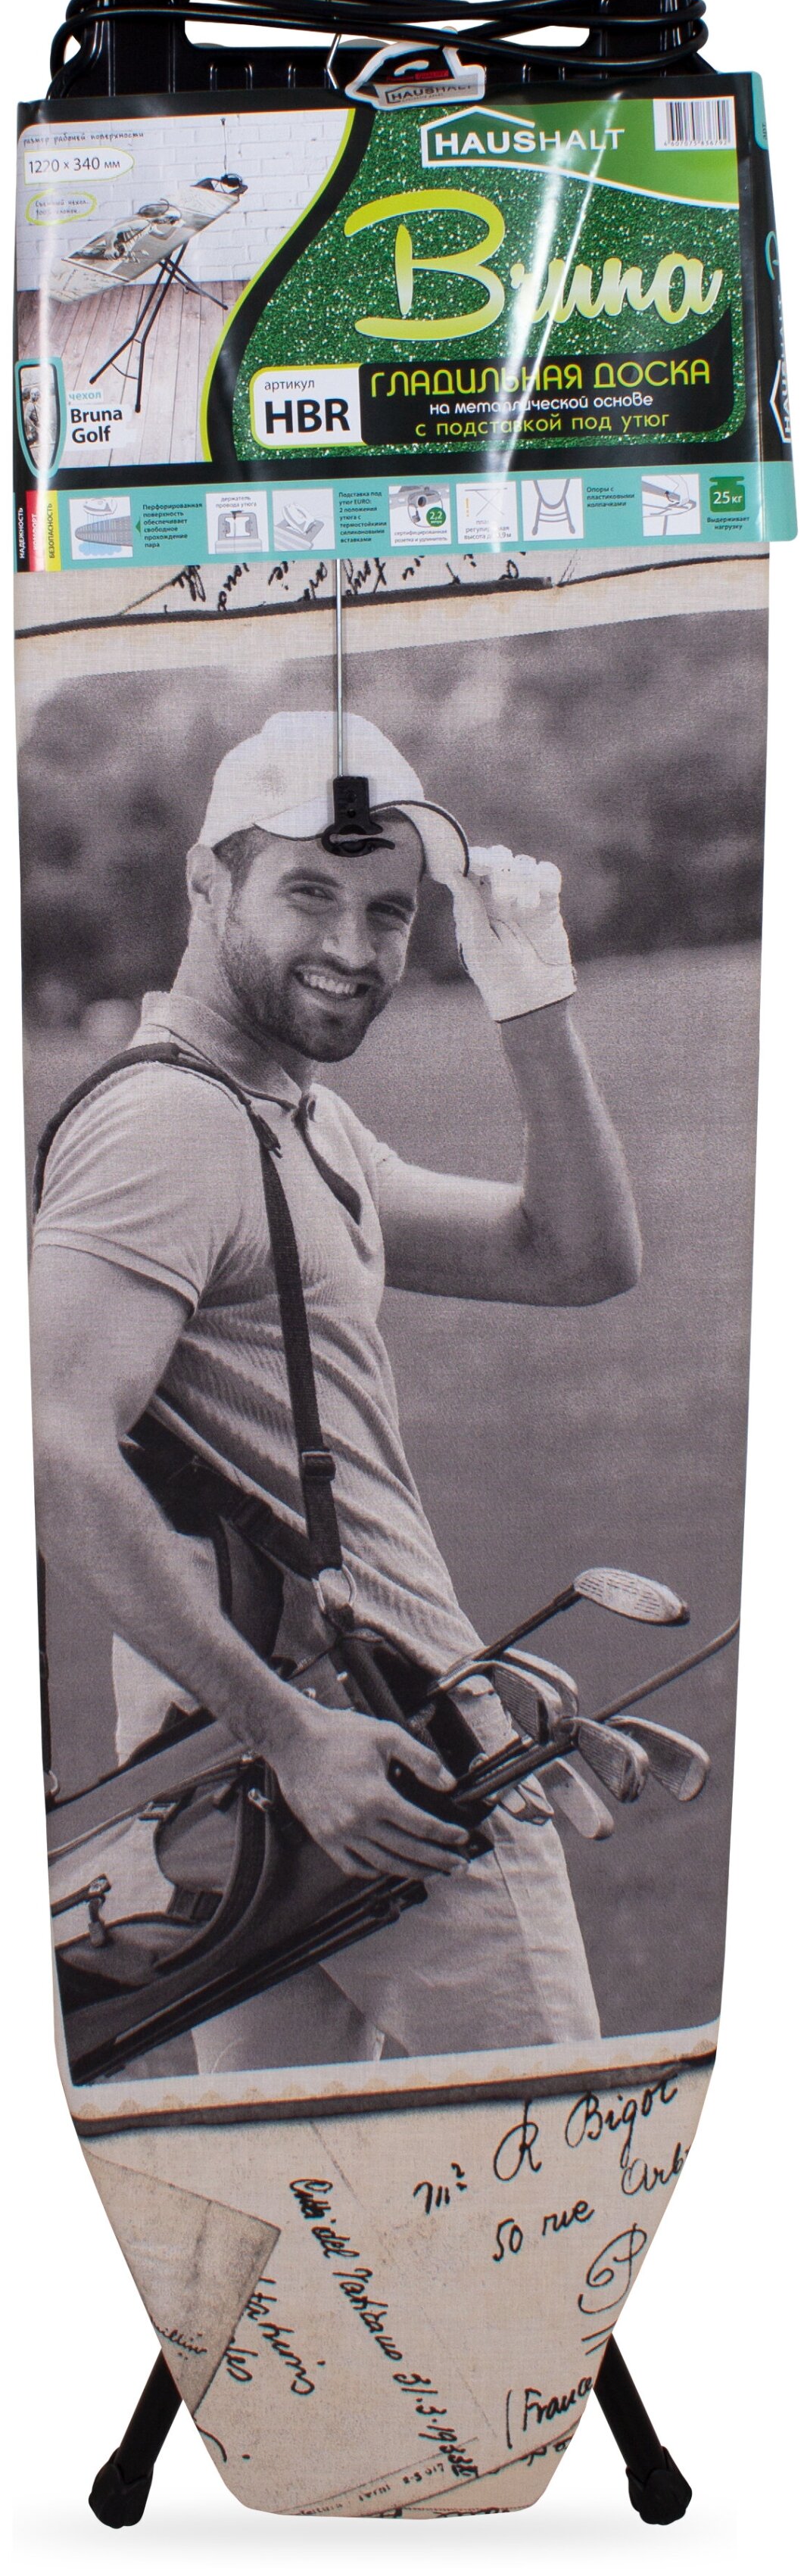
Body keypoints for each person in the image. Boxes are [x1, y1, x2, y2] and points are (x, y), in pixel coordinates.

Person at [30, 709, 641, 2070]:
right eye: (308, 892)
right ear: (207, 884)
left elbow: (576, 1255)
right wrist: (293, 1731)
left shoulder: (290, 1116)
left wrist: (531, 999)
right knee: (552, 2170)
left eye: (388, 910)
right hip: (365, 1752)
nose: (353, 948)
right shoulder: (172, 1124)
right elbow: (52, 1445)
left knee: (295, 2191)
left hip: (255, 1781)